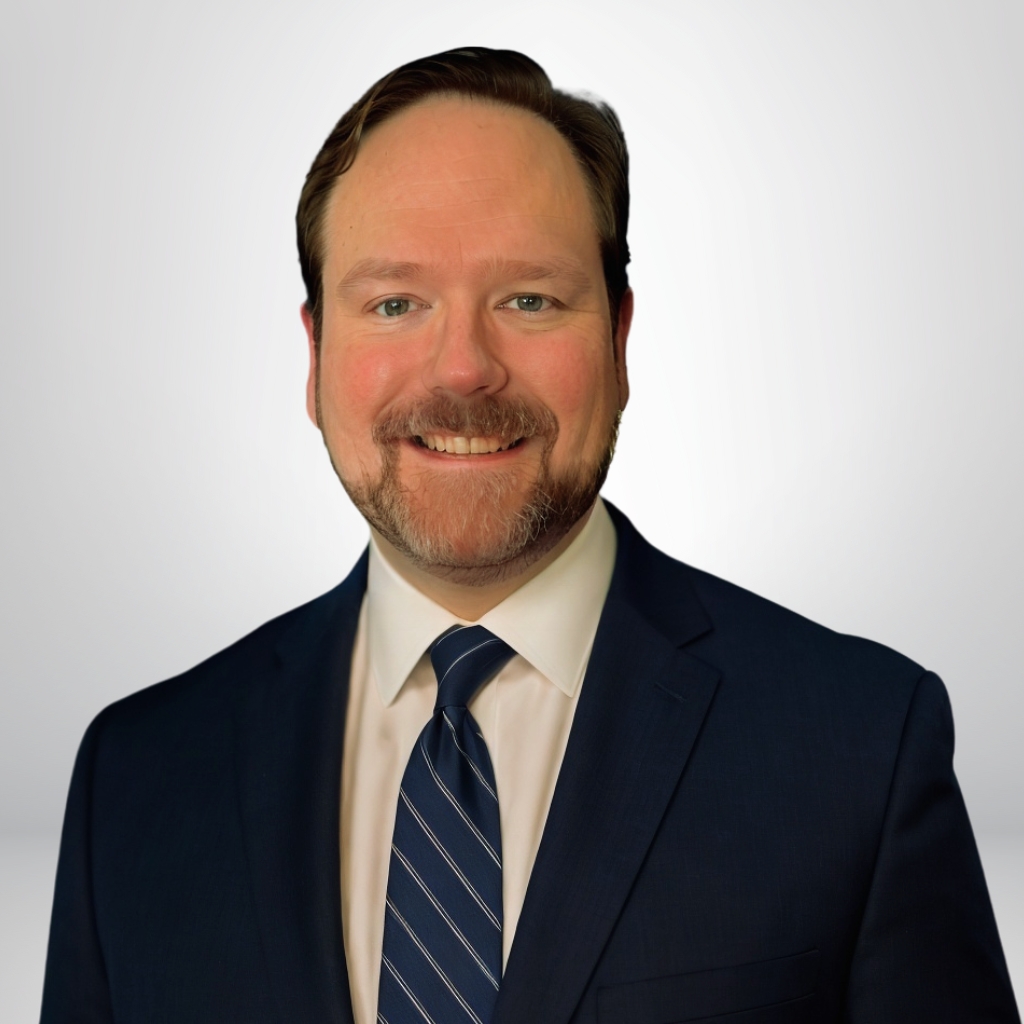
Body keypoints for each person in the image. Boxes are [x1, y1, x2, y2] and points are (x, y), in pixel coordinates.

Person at [40, 47, 1019, 1024]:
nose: (463, 367)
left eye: (528, 300)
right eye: (394, 302)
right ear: (313, 354)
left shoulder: (857, 745)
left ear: (619, 340)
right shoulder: (136, 781)